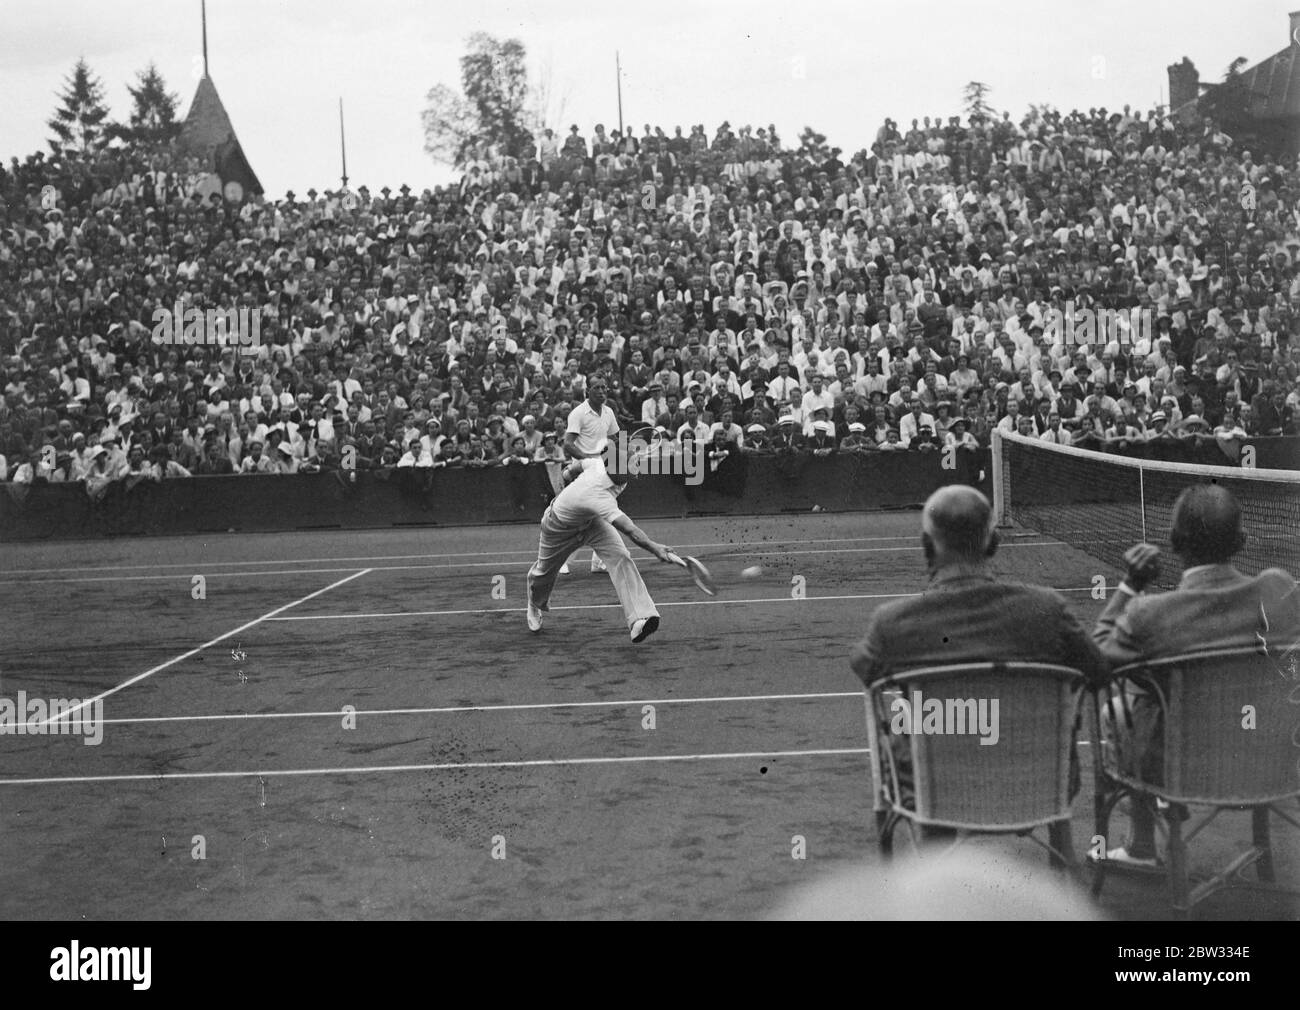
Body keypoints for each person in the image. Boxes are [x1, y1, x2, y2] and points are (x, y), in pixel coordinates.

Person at [850, 486, 1107, 809]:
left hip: (934, 788)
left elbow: (865, 669)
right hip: (1038, 781)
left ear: (927, 545)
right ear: (994, 542)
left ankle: (936, 844)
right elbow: (1099, 671)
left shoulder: (892, 622)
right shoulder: (1048, 610)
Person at [1091, 484, 1300, 867]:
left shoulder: (1149, 612)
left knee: (1121, 708)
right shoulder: (1278, 589)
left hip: (1178, 768)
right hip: (1269, 761)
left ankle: (1140, 846)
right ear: (1242, 540)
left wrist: (1128, 585)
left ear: (1173, 542)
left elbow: (1097, 656)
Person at [525, 437, 677, 644]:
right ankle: (534, 604)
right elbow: (629, 529)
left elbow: (580, 464)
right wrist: (654, 547)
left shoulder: (603, 466)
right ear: (615, 467)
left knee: (621, 556)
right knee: (543, 574)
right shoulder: (597, 493)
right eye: (630, 463)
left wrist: (569, 473)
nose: (635, 466)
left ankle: (639, 619)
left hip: (592, 523)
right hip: (558, 528)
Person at [559, 376, 620, 575]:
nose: (602, 391)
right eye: (597, 388)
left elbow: (614, 440)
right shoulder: (578, 413)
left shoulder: (609, 411)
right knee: (581, 520)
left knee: (602, 515)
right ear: (588, 391)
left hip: (603, 472)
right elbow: (568, 444)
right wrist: (588, 460)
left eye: (604, 387)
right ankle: (562, 560)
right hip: (584, 472)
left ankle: (598, 562)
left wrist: (622, 453)